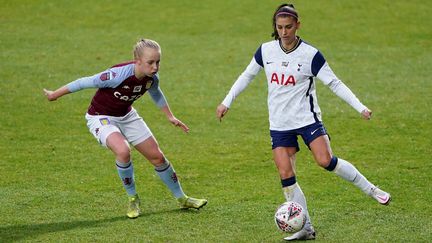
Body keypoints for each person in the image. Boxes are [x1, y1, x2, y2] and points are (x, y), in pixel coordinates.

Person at [216, 4, 391, 241]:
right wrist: (227, 101)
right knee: (286, 174)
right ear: (275, 27)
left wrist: (360, 107)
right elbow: (247, 75)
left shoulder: (310, 55)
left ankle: (372, 189)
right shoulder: (266, 51)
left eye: (288, 27)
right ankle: (305, 227)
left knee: (325, 160)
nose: (284, 32)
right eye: (279, 27)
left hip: (307, 119)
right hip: (279, 123)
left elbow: (335, 83)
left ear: (298, 25)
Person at [44, 38, 207, 219]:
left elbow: (156, 92)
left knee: (158, 157)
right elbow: (84, 82)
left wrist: (170, 116)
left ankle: (182, 198)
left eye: (158, 62)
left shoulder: (151, 78)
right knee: (123, 151)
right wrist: (54, 95)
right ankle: (133, 198)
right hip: (101, 117)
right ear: (137, 61)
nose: (155, 67)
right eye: (150, 62)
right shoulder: (117, 75)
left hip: (127, 116)